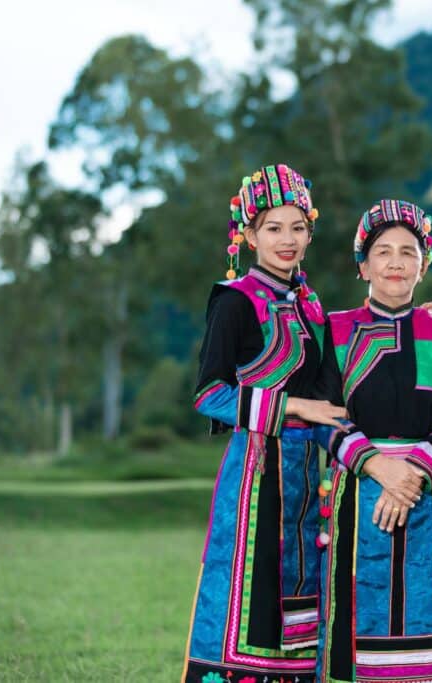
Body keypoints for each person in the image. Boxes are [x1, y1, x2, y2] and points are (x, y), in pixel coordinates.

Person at [182, 164, 345, 683]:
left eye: (298, 227)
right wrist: (292, 408)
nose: (287, 239)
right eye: (273, 228)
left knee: (301, 599)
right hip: (253, 477)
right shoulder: (233, 302)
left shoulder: (313, 308)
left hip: (306, 479)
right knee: (248, 595)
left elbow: (330, 399)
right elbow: (210, 394)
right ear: (249, 235)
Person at [314, 199, 432, 683]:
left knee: (426, 606)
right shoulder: (334, 331)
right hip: (358, 491)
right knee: (354, 610)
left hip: (427, 492)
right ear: (363, 265)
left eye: (408, 251)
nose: (396, 262)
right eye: (383, 252)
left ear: (424, 265)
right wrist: (380, 468)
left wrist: (416, 470)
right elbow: (324, 415)